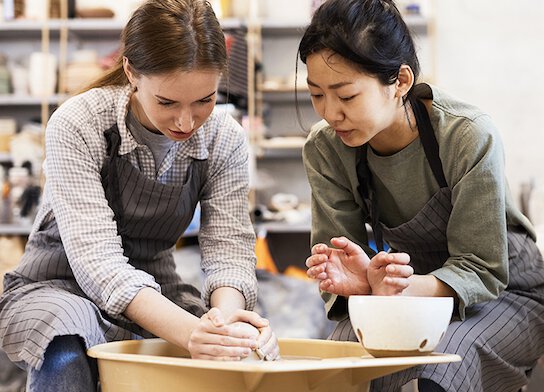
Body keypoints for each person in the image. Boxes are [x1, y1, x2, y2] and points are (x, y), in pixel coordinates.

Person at [0, 1, 279, 391]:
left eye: (204, 100)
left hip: (157, 288)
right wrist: (189, 333)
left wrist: (224, 321)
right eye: (167, 102)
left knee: (236, 347)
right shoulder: (78, 123)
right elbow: (97, 262)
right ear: (131, 71)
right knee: (67, 346)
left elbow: (229, 248)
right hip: (59, 285)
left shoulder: (224, 138)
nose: (186, 122)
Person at [300, 0, 544, 391]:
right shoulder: (326, 148)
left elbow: (483, 268)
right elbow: (342, 265)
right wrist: (363, 283)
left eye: (346, 96)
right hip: (399, 292)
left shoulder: (466, 134)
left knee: (444, 362)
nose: (330, 113)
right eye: (316, 95)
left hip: (502, 294)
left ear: (400, 82)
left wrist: (397, 290)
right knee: (342, 361)